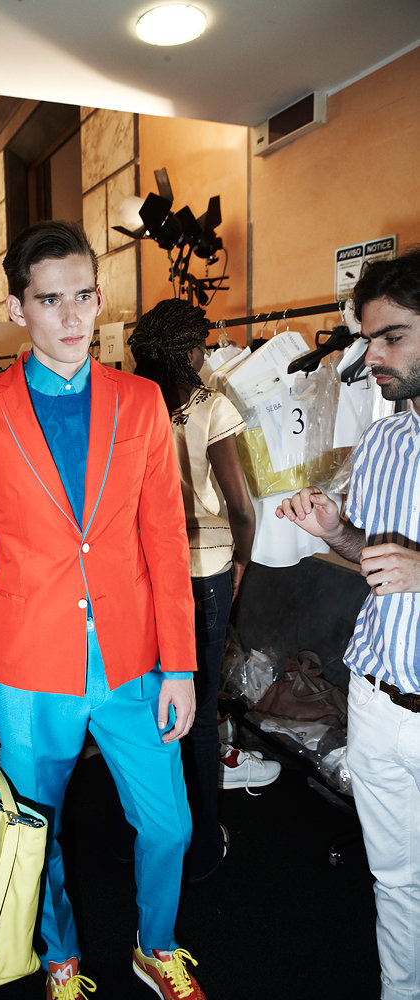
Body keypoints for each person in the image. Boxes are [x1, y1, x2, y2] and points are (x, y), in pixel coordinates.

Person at [0, 221, 207, 1000]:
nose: (71, 316)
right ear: (16, 307)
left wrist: (181, 664)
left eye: (83, 296)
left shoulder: (140, 399)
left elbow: (166, 541)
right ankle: (59, 953)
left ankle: (154, 946)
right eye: (49, 299)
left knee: (170, 824)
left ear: (99, 298)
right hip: (25, 670)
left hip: (133, 662)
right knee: (37, 830)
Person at [276, 246, 420, 1000]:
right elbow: (372, 555)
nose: (373, 357)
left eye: (392, 336)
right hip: (374, 696)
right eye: (368, 339)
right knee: (393, 879)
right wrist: (335, 531)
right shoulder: (384, 441)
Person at [128, 298, 278, 882]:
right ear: (185, 348)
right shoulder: (211, 407)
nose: (206, 354)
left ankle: (148, 832)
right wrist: (241, 563)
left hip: (143, 569)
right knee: (199, 700)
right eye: (202, 344)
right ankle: (202, 846)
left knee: (149, 699)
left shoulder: (130, 403)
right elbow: (240, 506)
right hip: (204, 566)